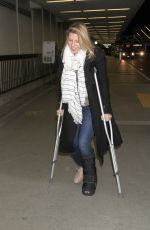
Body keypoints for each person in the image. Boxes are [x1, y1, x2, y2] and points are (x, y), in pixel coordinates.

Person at [57, 22, 122, 196]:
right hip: (72, 105)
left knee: (83, 143)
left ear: (84, 40)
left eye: (77, 41)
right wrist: (62, 105)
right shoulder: (64, 55)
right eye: (70, 41)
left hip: (90, 106)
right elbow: (62, 83)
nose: (73, 45)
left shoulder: (95, 55)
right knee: (70, 143)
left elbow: (102, 83)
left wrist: (106, 110)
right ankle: (82, 167)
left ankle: (90, 179)